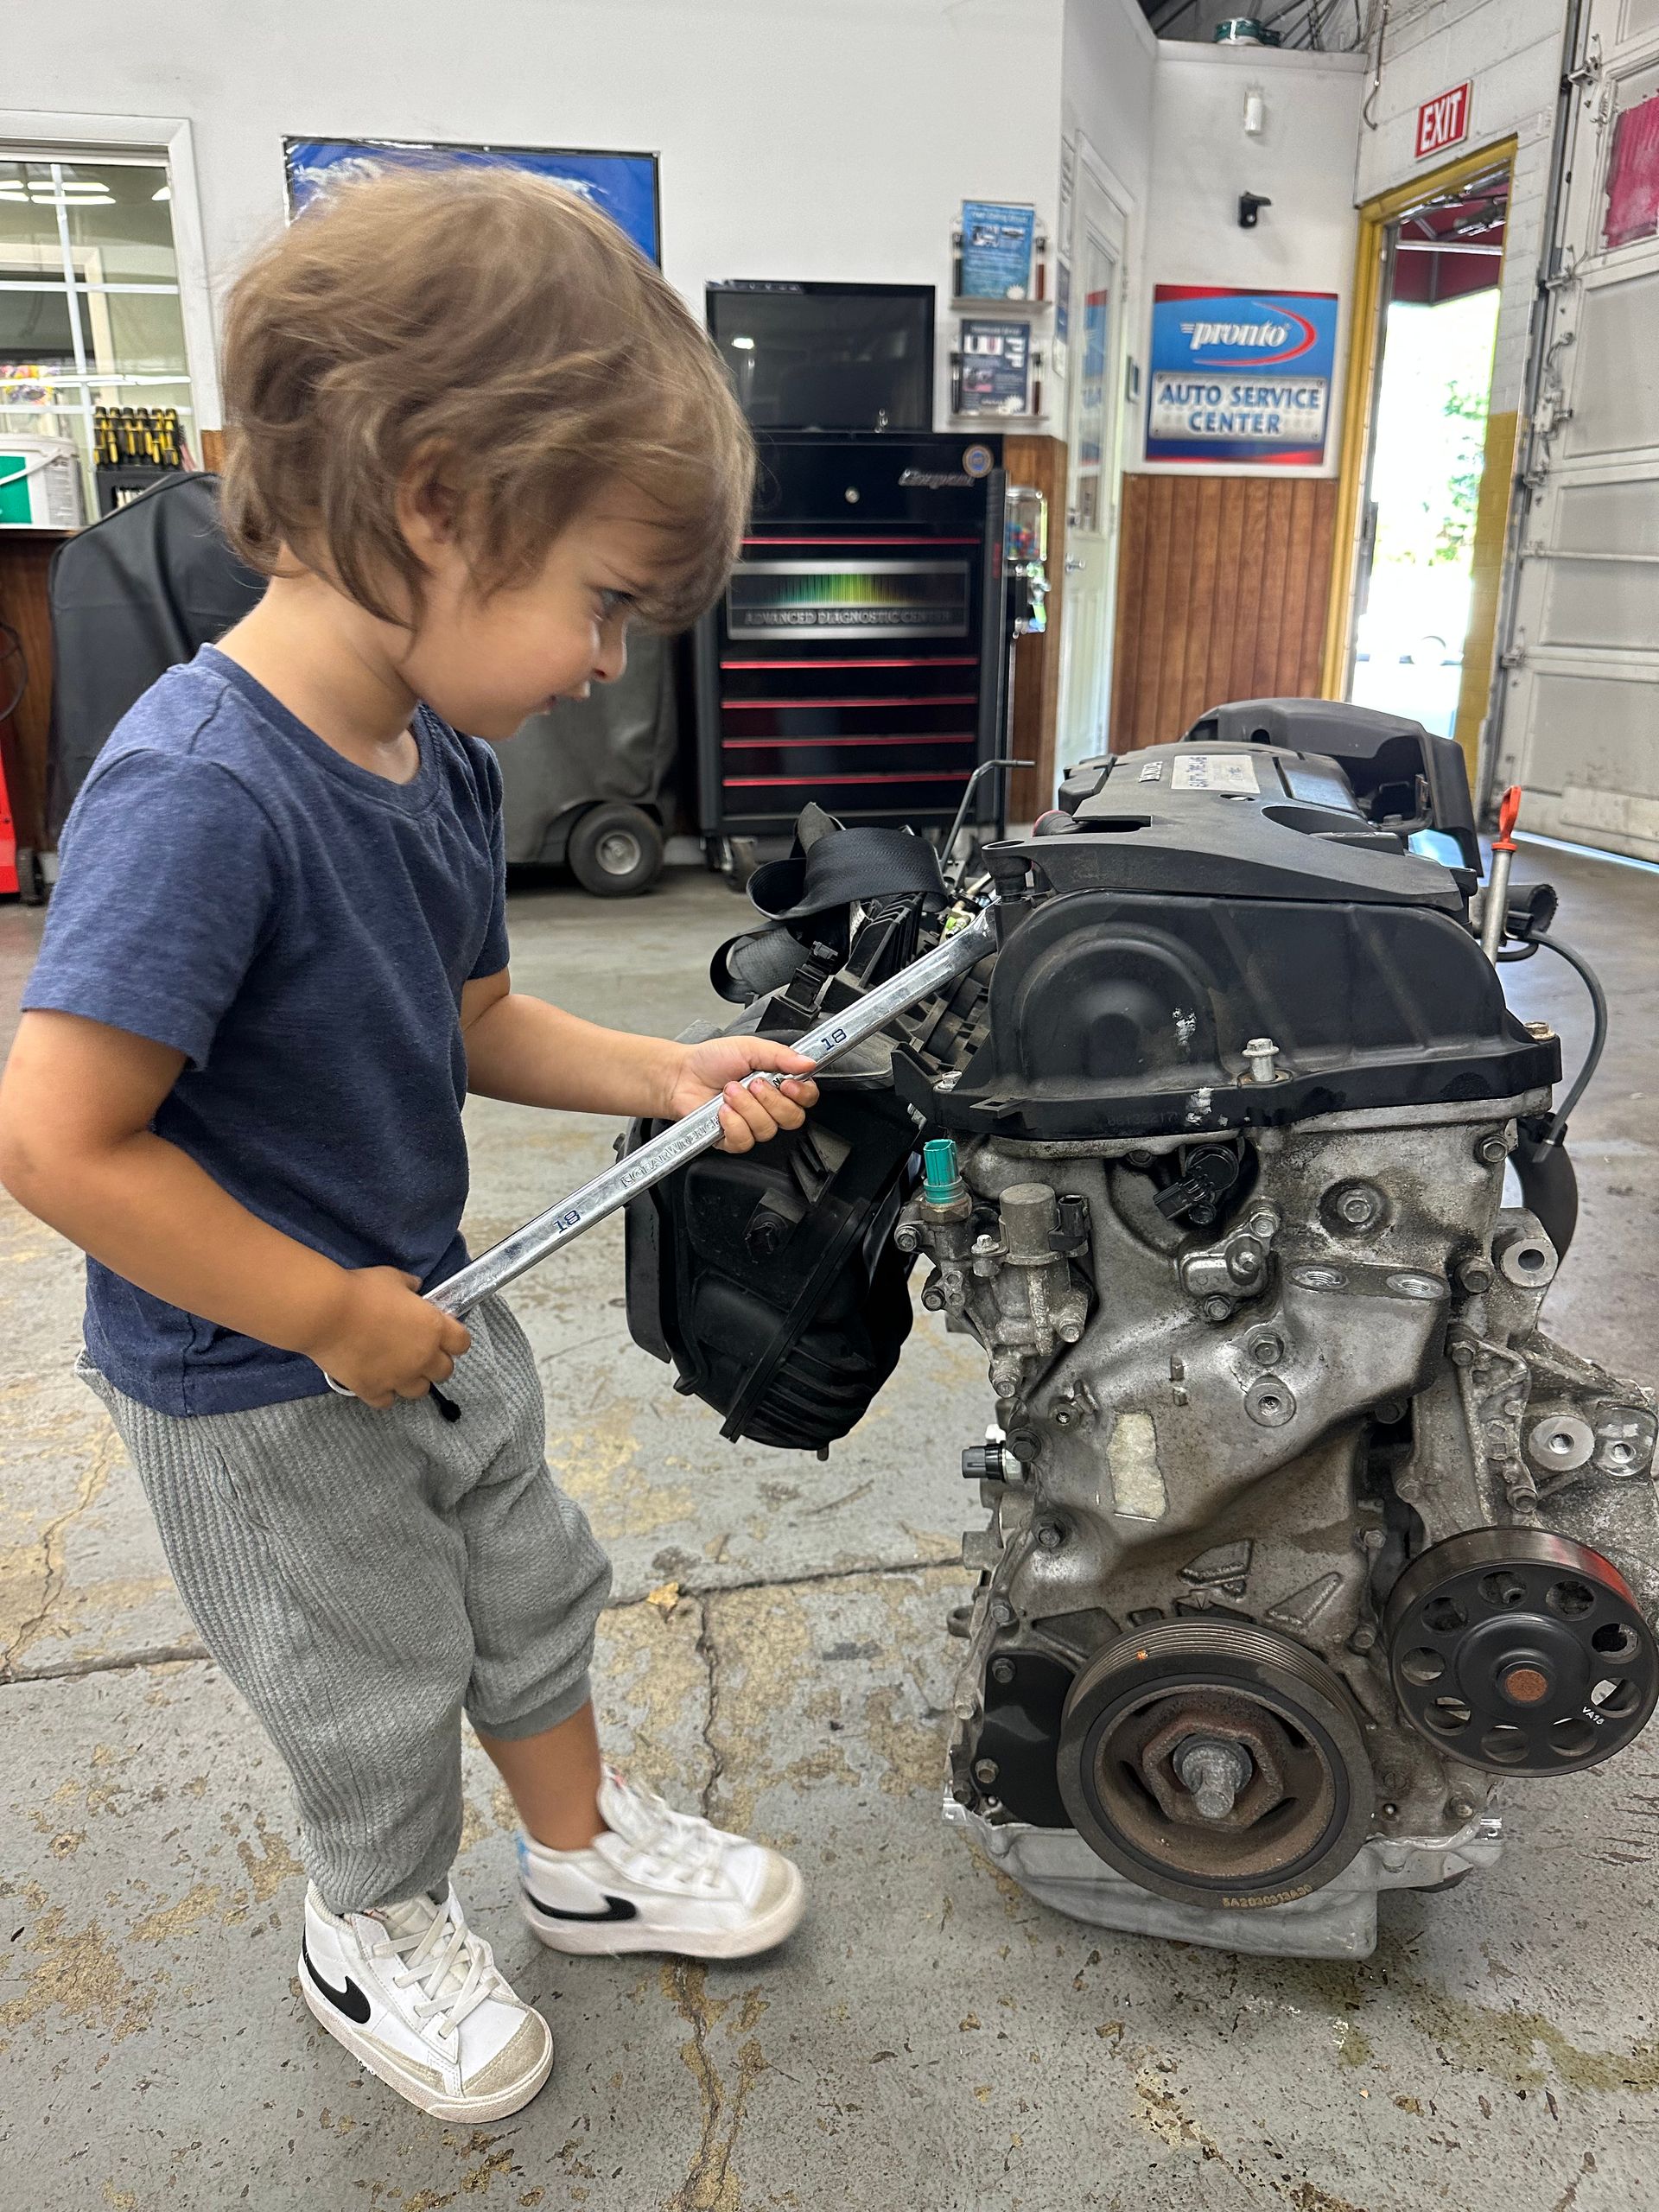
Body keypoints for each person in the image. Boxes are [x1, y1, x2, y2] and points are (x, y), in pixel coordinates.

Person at [0, 168, 817, 2126]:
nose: (611, 661)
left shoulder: (436, 756)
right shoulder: (203, 791)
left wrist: (663, 1071)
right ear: (439, 499)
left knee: (528, 1581)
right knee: (363, 1671)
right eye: (602, 600)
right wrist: (316, 1312)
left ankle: (579, 1847)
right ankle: (369, 1912)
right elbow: (56, 1135)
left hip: (427, 1307)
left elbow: (469, 1020)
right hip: (251, 1373)